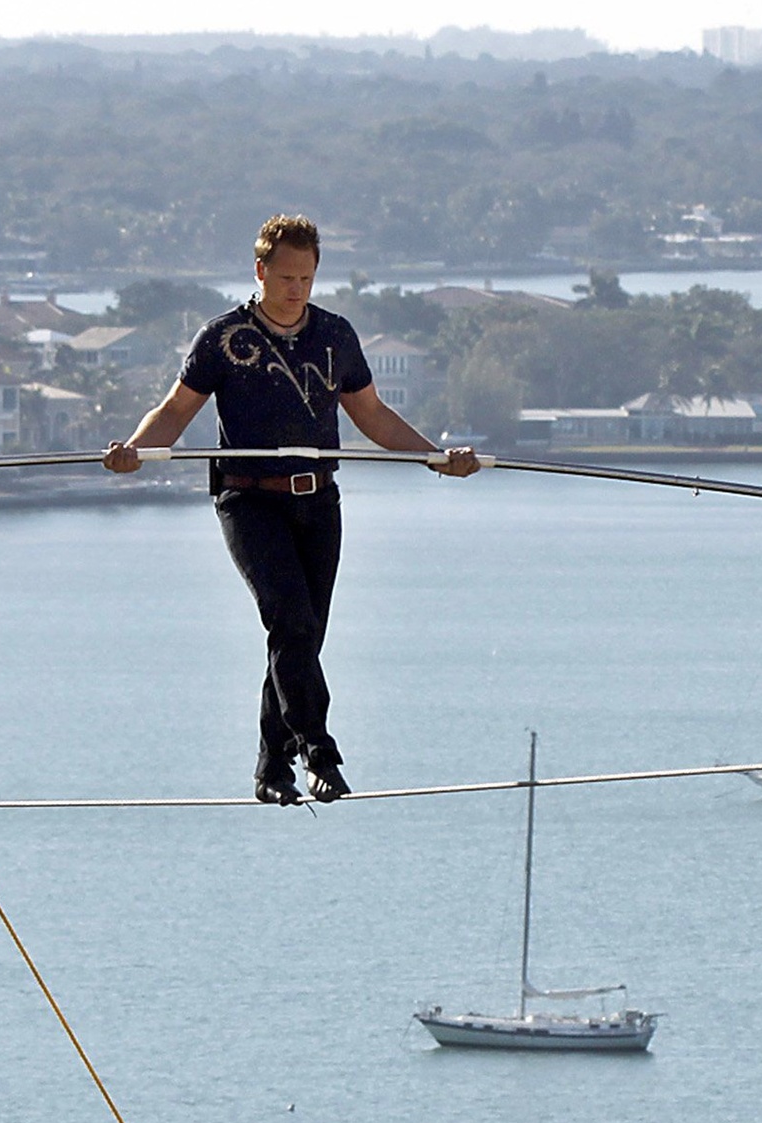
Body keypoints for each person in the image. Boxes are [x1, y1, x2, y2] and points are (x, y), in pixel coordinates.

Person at [104, 214, 480, 806]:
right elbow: (175, 411)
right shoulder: (222, 338)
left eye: (306, 277)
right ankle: (318, 751)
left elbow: (373, 417)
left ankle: (269, 768)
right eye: (284, 277)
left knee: (300, 640)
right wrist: (136, 451)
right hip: (248, 500)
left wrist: (436, 458)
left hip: (318, 502)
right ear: (260, 270)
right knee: (291, 624)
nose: (295, 289)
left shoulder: (336, 336)